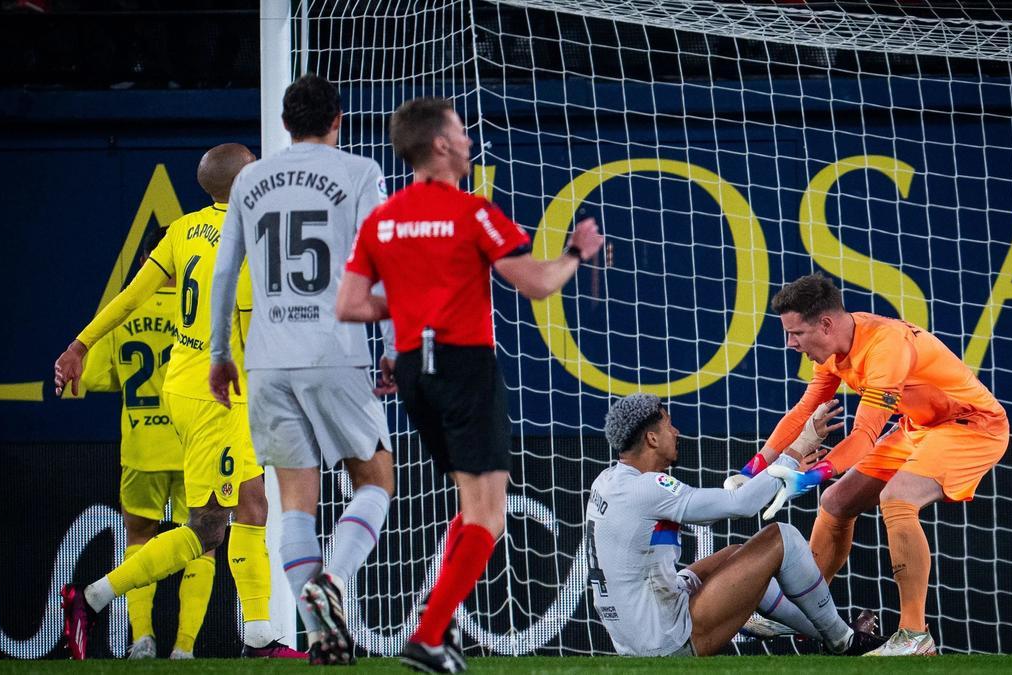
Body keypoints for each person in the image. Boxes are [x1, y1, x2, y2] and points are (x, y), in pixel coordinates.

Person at [336, 96, 604, 673]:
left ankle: (436, 630)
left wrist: (411, 313)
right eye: (459, 130)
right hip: (463, 366)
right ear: (440, 145)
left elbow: (352, 304)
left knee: (470, 502)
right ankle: (429, 637)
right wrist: (576, 255)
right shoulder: (472, 212)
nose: (466, 138)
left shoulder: (382, 219)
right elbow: (532, 284)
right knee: (488, 514)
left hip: (412, 372)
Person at [53, 143, 304, 660]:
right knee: (212, 525)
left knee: (250, 505)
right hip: (221, 394)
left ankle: (258, 636)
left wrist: (80, 344)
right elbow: (252, 327)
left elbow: (129, 298)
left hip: (186, 385)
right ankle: (93, 598)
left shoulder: (184, 230)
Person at [209, 73, 396, 666]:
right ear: (337, 120)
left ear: (285, 125)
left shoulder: (250, 180)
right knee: (377, 480)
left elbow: (224, 271)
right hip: (334, 347)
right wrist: (391, 343)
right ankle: (332, 584)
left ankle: (318, 630)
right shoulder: (360, 172)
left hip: (266, 357)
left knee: (296, 503)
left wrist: (219, 354)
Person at [732, 272, 1009, 655]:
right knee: (835, 502)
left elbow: (863, 438)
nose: (790, 344)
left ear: (825, 324)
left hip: (973, 426)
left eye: (795, 333)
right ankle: (798, 609)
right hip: (920, 426)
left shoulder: (885, 347)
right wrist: (751, 470)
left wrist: (809, 475)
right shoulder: (834, 351)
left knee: (897, 497)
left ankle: (915, 636)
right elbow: (804, 412)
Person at [588, 393, 885, 657]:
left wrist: (774, 472)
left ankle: (829, 632)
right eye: (668, 425)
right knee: (782, 538)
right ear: (652, 439)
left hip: (635, 634)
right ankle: (845, 641)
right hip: (666, 641)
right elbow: (740, 504)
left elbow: (728, 499)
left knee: (736, 553)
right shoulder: (648, 488)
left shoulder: (607, 481)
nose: (676, 432)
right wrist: (799, 447)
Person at [78, 227, 214, 659]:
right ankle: (185, 648)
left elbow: (95, 377)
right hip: (195, 439)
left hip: (142, 446)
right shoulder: (204, 306)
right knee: (204, 537)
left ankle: (141, 640)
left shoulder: (122, 315)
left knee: (140, 535)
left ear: (144, 266)